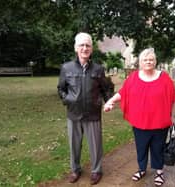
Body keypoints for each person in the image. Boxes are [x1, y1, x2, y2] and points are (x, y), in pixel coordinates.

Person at [104, 48, 175, 186]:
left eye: (151, 59)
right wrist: (111, 101)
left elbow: (173, 98)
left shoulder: (164, 78)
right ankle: (142, 169)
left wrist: (172, 116)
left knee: (158, 148)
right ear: (140, 62)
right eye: (145, 59)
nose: (148, 62)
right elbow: (123, 92)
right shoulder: (133, 77)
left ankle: (159, 172)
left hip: (160, 122)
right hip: (140, 123)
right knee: (141, 147)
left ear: (155, 61)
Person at [57, 32, 113, 184]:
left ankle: (96, 170)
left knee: (95, 146)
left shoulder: (98, 69)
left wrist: (108, 102)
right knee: (74, 145)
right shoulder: (66, 68)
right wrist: (68, 100)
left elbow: (107, 88)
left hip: (93, 114)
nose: (84, 48)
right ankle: (75, 170)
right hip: (73, 114)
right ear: (76, 48)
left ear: (91, 49)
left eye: (87, 45)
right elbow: (61, 89)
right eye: (81, 45)